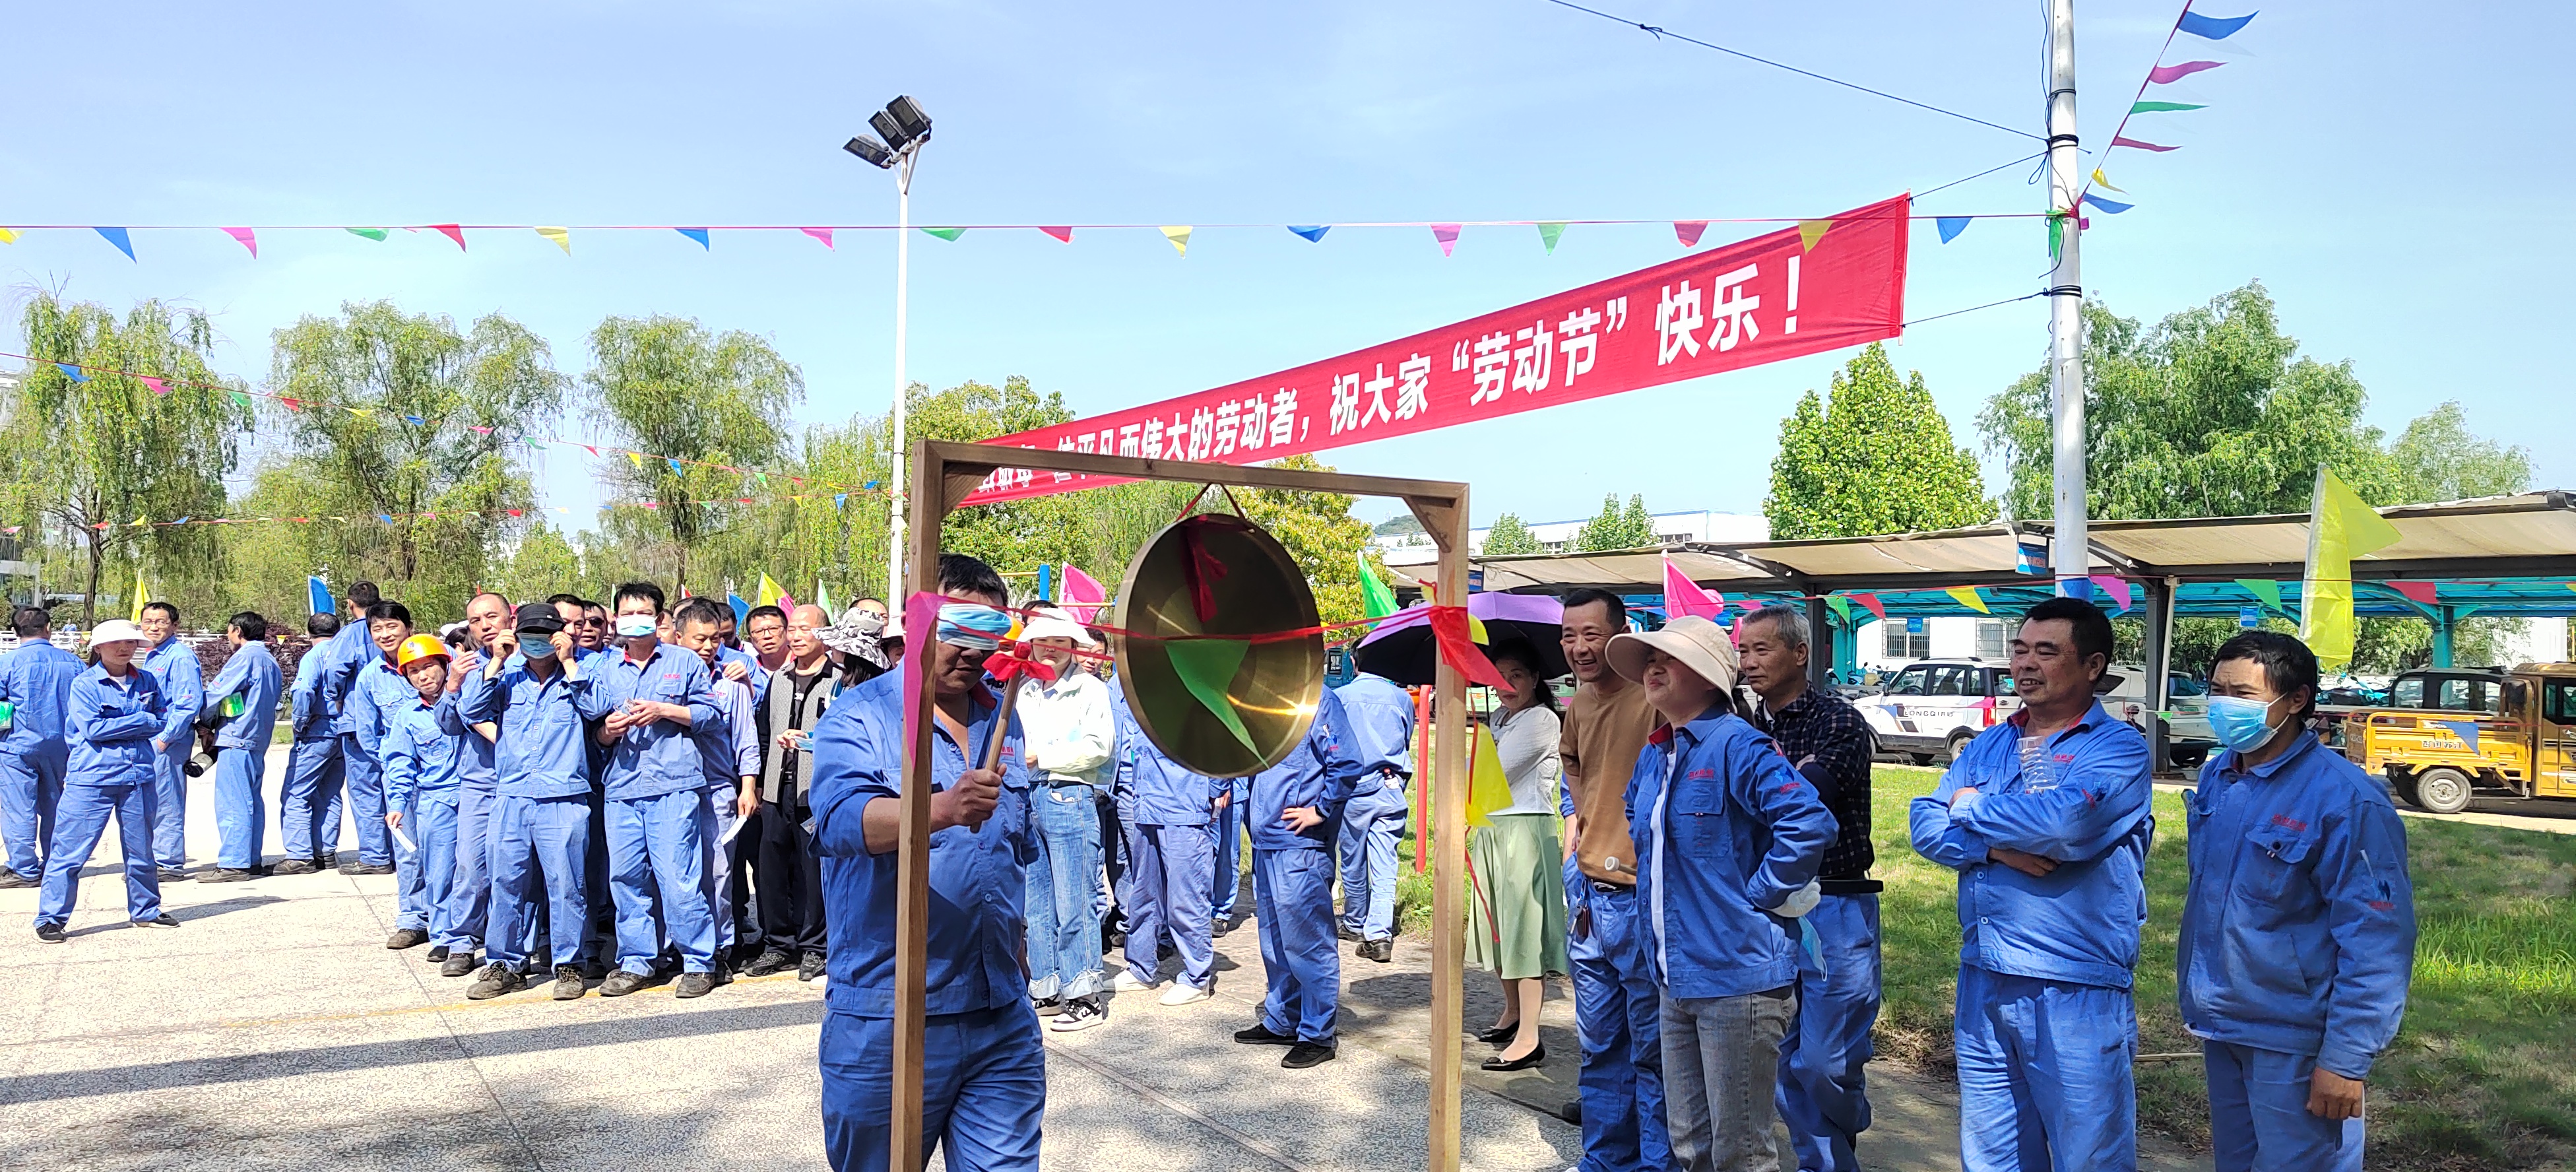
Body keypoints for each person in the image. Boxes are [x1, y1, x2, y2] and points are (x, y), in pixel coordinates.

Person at [810, 555, 1041, 1172]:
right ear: (916, 623)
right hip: (890, 1015)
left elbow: (1012, 847)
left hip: (999, 1012)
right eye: (958, 630)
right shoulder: (861, 715)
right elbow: (840, 823)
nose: (973, 651)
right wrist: (940, 808)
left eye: (989, 633)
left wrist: (1017, 947)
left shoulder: (1003, 714)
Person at [1908, 597, 2153, 1172]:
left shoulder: (2117, 749)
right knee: (1994, 1156)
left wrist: (1971, 806)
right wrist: (1992, 848)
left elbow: (2066, 826)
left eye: (2046, 651)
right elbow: (1924, 822)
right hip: (1985, 975)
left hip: (2074, 982)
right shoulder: (1991, 744)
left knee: (2088, 1157)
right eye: (2020, 649)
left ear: (2092, 666)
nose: (2025, 664)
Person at [2180, 631, 2416, 1172]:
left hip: (2298, 1040)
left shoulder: (2346, 799)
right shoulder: (2220, 774)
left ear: (2296, 700)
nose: (2224, 706)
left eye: (2243, 694)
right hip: (2226, 1023)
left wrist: (2346, 1060)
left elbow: (2378, 939)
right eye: (2217, 690)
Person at [1612, 615, 1836, 1172]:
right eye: (1649, 660)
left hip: (1738, 979)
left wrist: (1761, 893)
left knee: (1740, 1152)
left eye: (1668, 659)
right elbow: (1638, 822)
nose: (1653, 668)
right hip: (1675, 977)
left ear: (1708, 676)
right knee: (1691, 1145)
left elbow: (1809, 821)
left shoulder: (1739, 745)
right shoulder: (1656, 753)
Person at [1737, 603, 1881, 1172]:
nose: (1749, 662)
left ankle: (1847, 1123)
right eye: (1743, 651)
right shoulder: (1745, 728)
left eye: (1762, 649)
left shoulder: (1838, 722)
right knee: (1780, 1054)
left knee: (1824, 1060)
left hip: (1836, 903)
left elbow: (1796, 803)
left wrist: (1772, 786)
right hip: (1770, 905)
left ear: (1800, 654)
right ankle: (1826, 1163)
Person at [1559, 587, 1672, 1172]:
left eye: (1591, 635)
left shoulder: (1652, 697)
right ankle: (1604, 1161)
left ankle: (1657, 1163)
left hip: (1641, 900)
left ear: (1620, 635)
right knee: (1600, 1047)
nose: (1578, 648)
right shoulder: (1578, 705)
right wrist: (1585, 820)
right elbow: (1572, 762)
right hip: (1588, 899)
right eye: (1568, 636)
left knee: (1652, 1050)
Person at [583, 582, 723, 998]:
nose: (635, 621)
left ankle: (699, 961)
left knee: (679, 878)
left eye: (643, 613)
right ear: (616, 620)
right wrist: (608, 731)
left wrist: (665, 710)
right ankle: (637, 961)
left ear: (659, 618)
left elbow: (712, 716)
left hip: (674, 786)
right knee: (627, 879)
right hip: (622, 788)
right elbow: (595, 731)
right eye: (626, 614)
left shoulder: (684, 660)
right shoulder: (603, 666)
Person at [463, 602, 596, 1001]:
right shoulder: (507, 676)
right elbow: (470, 710)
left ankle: (569, 965)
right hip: (513, 795)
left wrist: (569, 662)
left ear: (560, 636)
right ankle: (505, 964)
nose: (536, 643)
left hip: (563, 796)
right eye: (529, 635)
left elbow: (598, 709)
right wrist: (496, 661)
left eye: (545, 635)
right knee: (506, 881)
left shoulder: (580, 671)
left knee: (567, 885)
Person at [1232, 683, 1363, 1070]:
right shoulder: (1266, 696)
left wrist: (1320, 810)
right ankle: (1282, 1020)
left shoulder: (1319, 700)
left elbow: (1347, 762)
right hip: (1267, 841)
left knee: (1307, 942)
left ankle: (1317, 1034)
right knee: (1275, 941)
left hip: (1300, 845)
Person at [34, 620, 178, 940]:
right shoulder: (85, 685)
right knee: (70, 851)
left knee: (141, 850)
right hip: (92, 778)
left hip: (138, 776)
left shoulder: (147, 680)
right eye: (115, 642)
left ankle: (146, 910)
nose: (124, 648)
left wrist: (136, 723)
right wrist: (141, 720)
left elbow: (164, 721)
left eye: (130, 642)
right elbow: (93, 729)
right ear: (98, 648)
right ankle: (51, 917)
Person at [1467, 641, 1570, 1072]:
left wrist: (1471, 757)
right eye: (1499, 677)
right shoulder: (1499, 718)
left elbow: (1493, 774)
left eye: (1516, 676)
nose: (1507, 685)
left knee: (1524, 932)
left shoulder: (1542, 720)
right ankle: (1511, 1013)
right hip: (1493, 829)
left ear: (1534, 679)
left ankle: (1530, 1038)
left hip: (1525, 830)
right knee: (1498, 929)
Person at [1014, 605, 1116, 1031]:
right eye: (1043, 641)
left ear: (1074, 646)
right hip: (1030, 796)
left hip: (1069, 794)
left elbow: (1100, 746)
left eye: (1060, 641)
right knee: (1036, 902)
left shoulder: (1091, 689)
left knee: (1075, 899)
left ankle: (1084, 992)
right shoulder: (1024, 690)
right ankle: (1046, 985)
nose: (1051, 649)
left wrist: (1042, 756)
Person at [1105, 683, 1227, 1004]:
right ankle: (1141, 968)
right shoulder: (1146, 693)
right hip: (1146, 806)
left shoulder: (1199, 693)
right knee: (1144, 893)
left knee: (1186, 897)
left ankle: (1197, 976)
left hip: (1184, 809)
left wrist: (1212, 793)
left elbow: (1223, 747)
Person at [746, 602, 840, 980]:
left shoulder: (838, 680)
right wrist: (758, 783)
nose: (797, 636)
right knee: (771, 870)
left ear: (824, 634)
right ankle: (778, 944)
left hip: (814, 791)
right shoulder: (780, 679)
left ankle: (816, 946)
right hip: (776, 789)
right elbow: (764, 734)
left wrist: (811, 740)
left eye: (806, 629)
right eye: (793, 629)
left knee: (812, 871)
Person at [674, 596, 761, 977]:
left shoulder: (730, 683)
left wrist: (748, 787)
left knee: (718, 873)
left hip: (717, 788)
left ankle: (720, 948)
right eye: (700, 639)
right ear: (678, 638)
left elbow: (745, 739)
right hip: (672, 789)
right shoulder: (664, 681)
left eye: (715, 639)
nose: (709, 647)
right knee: (678, 873)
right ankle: (678, 947)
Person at [434, 591, 513, 975]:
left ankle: (521, 942)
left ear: (511, 618)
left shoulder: (531, 664)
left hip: (525, 783)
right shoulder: (466, 666)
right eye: (476, 621)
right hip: (481, 782)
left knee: (514, 870)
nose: (485, 626)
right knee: (470, 864)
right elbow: (450, 725)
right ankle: (462, 940)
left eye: (492, 616)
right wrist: (452, 686)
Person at [354, 601, 437, 947]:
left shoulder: (438, 658)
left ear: (408, 627)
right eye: (377, 629)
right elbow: (367, 734)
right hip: (402, 776)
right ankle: (414, 919)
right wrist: (394, 763)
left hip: (444, 774)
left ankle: (455, 921)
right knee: (408, 848)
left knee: (450, 849)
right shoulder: (369, 677)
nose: (385, 634)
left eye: (392, 626)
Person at [381, 635, 470, 959]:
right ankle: (444, 936)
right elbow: (400, 763)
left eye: (429, 666)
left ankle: (475, 933)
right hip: (436, 802)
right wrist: (397, 804)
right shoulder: (408, 716)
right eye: (414, 671)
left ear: (446, 665)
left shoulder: (468, 701)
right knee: (439, 872)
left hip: (476, 796)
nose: (423, 676)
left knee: (477, 871)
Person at [1334, 667, 1413, 963]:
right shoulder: (1402, 698)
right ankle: (1379, 934)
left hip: (1353, 789)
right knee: (1385, 862)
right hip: (1389, 786)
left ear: (1355, 663)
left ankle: (1355, 922)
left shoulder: (1340, 697)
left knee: (1353, 859)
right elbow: (1406, 738)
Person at [197, 612, 284, 882]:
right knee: (251, 801)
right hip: (257, 738)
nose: (228, 636)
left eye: (229, 631)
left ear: (237, 631)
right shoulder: (270, 660)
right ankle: (251, 858)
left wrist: (204, 721)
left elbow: (217, 693)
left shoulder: (245, 657)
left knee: (233, 801)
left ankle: (234, 863)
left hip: (237, 737)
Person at [1, 606, 82, 888]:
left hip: (17, 745)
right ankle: (56, 862)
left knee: (18, 807)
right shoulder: (73, 663)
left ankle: (23, 868)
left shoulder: (7, 663)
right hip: (62, 745)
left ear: (15, 632)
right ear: (49, 629)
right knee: (56, 804)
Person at [322, 582, 394, 878]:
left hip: (358, 721)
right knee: (395, 786)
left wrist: (336, 697)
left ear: (350, 604)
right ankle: (397, 849)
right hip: (391, 718)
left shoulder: (350, 634)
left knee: (366, 790)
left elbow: (334, 671)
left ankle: (375, 855)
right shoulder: (395, 629)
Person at [275, 612, 347, 875]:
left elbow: (303, 690)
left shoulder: (313, 656)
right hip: (343, 731)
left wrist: (300, 721)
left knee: (296, 793)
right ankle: (325, 851)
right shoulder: (345, 654)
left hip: (317, 731)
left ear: (308, 633)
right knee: (329, 793)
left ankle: (299, 855)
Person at [136, 601, 203, 880]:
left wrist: (165, 739)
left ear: (174, 625)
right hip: (150, 738)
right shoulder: (153, 656)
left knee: (167, 800)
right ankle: (153, 860)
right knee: (150, 801)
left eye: (161, 622)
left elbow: (188, 704)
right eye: (148, 621)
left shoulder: (180, 657)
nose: (153, 627)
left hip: (168, 741)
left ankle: (169, 862)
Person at [741, 604, 792, 705]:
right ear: (750, 640)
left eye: (774, 629)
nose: (767, 636)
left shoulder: (805, 665)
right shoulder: (748, 670)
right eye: (759, 631)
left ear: (787, 632)